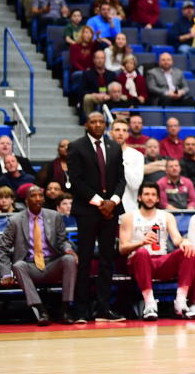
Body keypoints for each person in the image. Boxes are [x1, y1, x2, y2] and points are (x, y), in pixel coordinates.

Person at [67, 112, 126, 322]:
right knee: (84, 260)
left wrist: (114, 201)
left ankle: (103, 308)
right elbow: (75, 181)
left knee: (107, 261)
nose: (98, 124)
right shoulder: (76, 146)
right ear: (86, 124)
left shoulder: (115, 147)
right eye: (93, 121)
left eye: (101, 121)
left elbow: (121, 179)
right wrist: (100, 202)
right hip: (87, 211)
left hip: (111, 211)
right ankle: (81, 309)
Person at [0, 185, 78, 325]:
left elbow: (63, 241)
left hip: (52, 263)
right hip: (30, 265)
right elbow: (3, 249)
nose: (37, 199)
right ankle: (41, 311)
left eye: (40, 195)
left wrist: (68, 249)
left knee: (69, 259)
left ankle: (65, 310)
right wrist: (5, 274)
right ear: (26, 200)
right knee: (18, 265)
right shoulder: (15, 220)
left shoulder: (54, 216)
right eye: (33, 196)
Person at [118, 182, 195, 320]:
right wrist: (141, 243)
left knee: (188, 251)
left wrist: (184, 242)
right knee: (142, 253)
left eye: (153, 195)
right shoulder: (129, 217)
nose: (150, 198)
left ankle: (180, 302)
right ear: (139, 197)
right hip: (138, 262)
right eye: (146, 194)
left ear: (157, 199)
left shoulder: (166, 216)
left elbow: (177, 239)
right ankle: (150, 304)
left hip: (161, 260)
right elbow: (122, 248)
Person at [110, 119, 144, 216]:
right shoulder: (101, 154)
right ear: (110, 133)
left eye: (124, 130)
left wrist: (120, 160)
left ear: (128, 134)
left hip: (129, 209)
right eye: (117, 130)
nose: (121, 133)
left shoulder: (137, 155)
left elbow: (135, 184)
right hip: (106, 209)